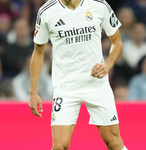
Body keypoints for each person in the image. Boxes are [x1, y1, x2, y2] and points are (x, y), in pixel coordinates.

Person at [29, 0, 127, 150]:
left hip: (97, 85)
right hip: (65, 87)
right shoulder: (47, 11)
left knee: (113, 142)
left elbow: (117, 42)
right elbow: (38, 52)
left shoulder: (99, 5)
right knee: (59, 146)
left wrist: (107, 64)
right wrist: (33, 92)